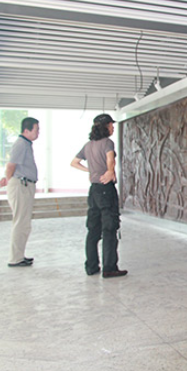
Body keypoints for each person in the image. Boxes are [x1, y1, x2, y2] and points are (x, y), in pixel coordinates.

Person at [70, 113, 127, 278]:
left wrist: (90, 171)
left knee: (93, 230)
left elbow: (74, 162)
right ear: (106, 126)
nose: (113, 127)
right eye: (111, 125)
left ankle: (91, 266)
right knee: (109, 229)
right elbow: (110, 159)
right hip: (106, 189)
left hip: (94, 190)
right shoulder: (107, 142)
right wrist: (109, 171)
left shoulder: (88, 145)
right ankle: (109, 268)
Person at [0, 117, 40, 267]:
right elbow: (11, 165)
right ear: (26, 130)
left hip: (25, 185)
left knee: (24, 222)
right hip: (21, 185)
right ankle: (15, 258)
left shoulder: (26, 144)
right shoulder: (21, 144)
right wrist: (8, 180)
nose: (38, 133)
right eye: (36, 129)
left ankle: (19, 255)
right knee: (21, 222)